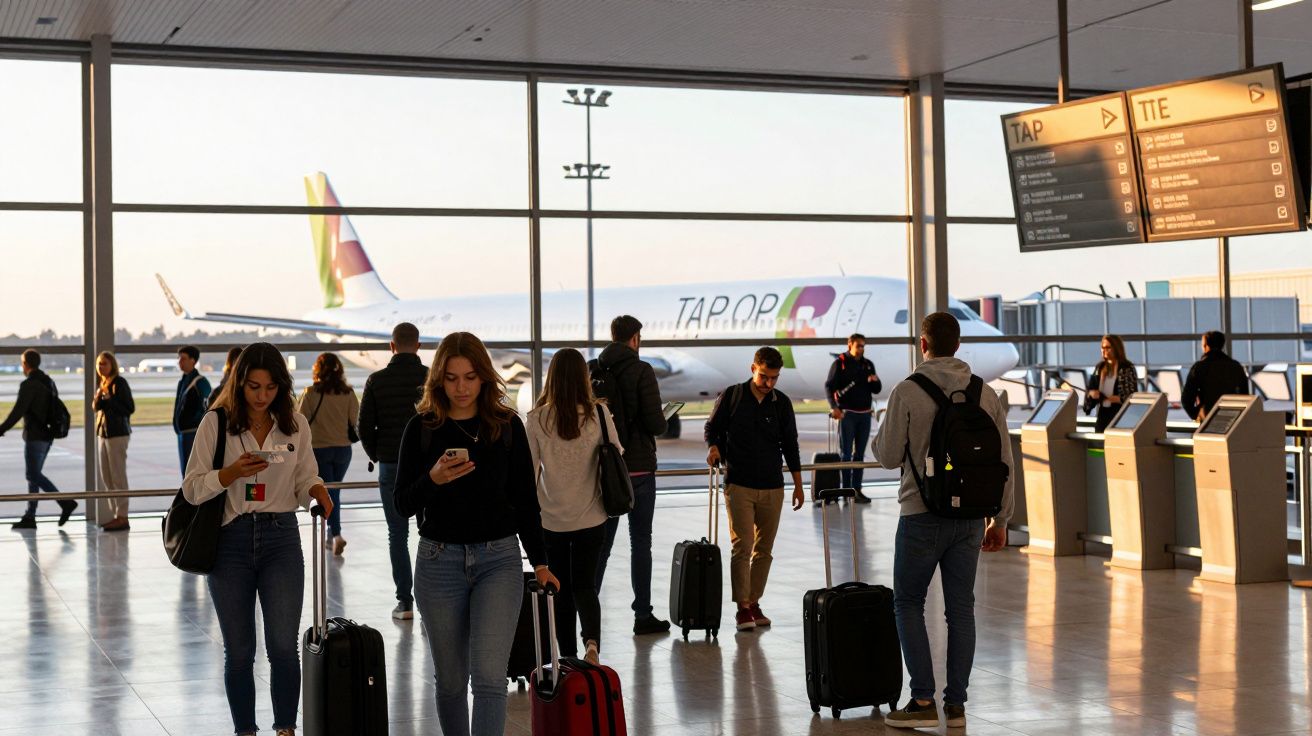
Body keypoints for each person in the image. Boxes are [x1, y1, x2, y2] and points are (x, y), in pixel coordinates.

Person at [394, 332, 558, 736]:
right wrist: (433, 479)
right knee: (451, 682)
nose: (462, 388)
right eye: (452, 378)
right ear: (439, 380)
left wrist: (540, 562)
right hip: (438, 561)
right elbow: (401, 504)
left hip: (498, 560)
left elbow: (526, 501)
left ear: (484, 377)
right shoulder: (422, 428)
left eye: (470, 377)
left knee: (488, 678)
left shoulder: (506, 426)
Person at [182, 342, 333, 736]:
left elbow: (304, 478)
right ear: (239, 384)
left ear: (282, 386)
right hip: (229, 541)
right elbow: (192, 489)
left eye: (270, 387)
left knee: (283, 647)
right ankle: (245, 730)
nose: (262, 396)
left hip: (281, 538)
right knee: (239, 652)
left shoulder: (295, 424)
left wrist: (316, 491)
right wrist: (230, 473)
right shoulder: (216, 423)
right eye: (253, 387)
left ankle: (285, 729)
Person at [872, 312, 1014, 730]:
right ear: (958, 345)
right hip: (970, 519)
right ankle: (956, 707)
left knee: (908, 603)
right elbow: (1004, 461)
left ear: (923, 344)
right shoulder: (984, 393)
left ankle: (921, 700)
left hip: (921, 515)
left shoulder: (907, 391)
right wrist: (1000, 519)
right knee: (961, 610)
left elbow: (887, 456)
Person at [527, 348, 622, 666]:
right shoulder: (599, 414)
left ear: (551, 377)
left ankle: (567, 655)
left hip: (551, 519)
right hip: (592, 516)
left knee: (561, 589)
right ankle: (592, 645)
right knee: (586, 585)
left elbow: (529, 471)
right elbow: (617, 453)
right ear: (584, 377)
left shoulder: (537, 419)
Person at [704, 346, 805, 632]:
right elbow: (712, 428)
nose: (768, 383)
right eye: (764, 376)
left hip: (773, 486)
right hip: (739, 484)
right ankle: (742, 608)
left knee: (764, 549)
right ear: (753, 369)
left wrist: (799, 486)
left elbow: (791, 445)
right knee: (742, 546)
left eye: (774, 378)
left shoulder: (781, 403)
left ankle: (754, 601)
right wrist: (713, 447)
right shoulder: (733, 395)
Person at [593, 315, 672, 635]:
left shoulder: (594, 368)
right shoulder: (642, 371)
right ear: (635, 338)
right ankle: (642, 615)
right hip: (638, 470)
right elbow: (655, 424)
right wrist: (663, 419)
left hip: (606, 470)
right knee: (641, 543)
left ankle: (588, 612)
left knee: (601, 546)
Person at [358, 322, 428, 620]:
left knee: (397, 535)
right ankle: (428, 601)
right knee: (430, 534)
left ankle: (405, 601)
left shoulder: (376, 380)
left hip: (391, 465)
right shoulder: (431, 378)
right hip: (428, 467)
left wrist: (378, 453)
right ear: (419, 345)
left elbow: (364, 426)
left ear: (391, 346)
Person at [1, 349, 76, 530]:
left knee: (32, 475)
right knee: (34, 476)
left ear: (25, 364)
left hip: (35, 436)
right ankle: (30, 516)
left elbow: (18, 411)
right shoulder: (48, 381)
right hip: (47, 435)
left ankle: (65, 502)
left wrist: (1, 428)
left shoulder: (29, 384)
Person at [297, 352, 360, 556]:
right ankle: (332, 535)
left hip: (319, 449)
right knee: (334, 492)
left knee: (328, 492)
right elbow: (354, 421)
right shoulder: (348, 393)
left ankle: (335, 534)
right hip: (343, 450)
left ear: (318, 369)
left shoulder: (310, 392)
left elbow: (300, 421)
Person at [824, 332, 882, 503]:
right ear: (850, 345)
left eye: (863, 346)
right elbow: (829, 387)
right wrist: (834, 407)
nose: (861, 349)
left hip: (865, 415)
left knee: (860, 455)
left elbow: (877, 389)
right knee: (846, 454)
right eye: (859, 346)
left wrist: (875, 381)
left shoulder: (868, 364)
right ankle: (846, 490)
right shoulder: (840, 363)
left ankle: (857, 490)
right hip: (847, 415)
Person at [92, 351, 135, 531]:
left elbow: (129, 408)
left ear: (112, 365)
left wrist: (110, 398)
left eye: (105, 363)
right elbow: (96, 408)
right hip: (103, 433)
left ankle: (122, 516)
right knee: (107, 477)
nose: (101, 367)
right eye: (99, 363)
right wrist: (99, 398)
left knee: (118, 476)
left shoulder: (119, 383)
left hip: (117, 434)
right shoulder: (102, 384)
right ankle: (115, 515)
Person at [1181, 330, 1249, 421]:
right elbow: (1245, 396)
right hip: (1231, 417)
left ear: (1205, 345)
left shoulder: (1200, 367)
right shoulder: (1236, 366)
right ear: (1222, 345)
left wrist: (1196, 415)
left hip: (1208, 416)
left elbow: (1186, 399)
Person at [1083, 334, 1137, 432]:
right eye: (1102, 348)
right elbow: (1090, 392)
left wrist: (1118, 399)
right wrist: (1091, 394)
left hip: (1120, 416)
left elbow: (1132, 395)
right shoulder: (1100, 367)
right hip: (1103, 416)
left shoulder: (1126, 367)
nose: (1104, 350)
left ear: (1116, 348)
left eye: (1108, 348)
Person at [174, 345, 213, 474]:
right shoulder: (182, 381)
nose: (180, 361)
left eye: (183, 358)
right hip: (183, 433)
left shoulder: (200, 382)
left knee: (192, 471)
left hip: (193, 432)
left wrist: (195, 423)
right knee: (185, 471)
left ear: (193, 360)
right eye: (179, 358)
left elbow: (207, 407)